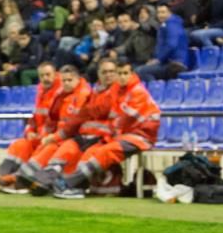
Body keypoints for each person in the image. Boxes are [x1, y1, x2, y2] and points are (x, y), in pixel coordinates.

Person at [53, 61, 161, 199]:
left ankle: (68, 183)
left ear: (132, 74)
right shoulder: (118, 91)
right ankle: (73, 185)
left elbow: (126, 120)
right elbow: (105, 114)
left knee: (104, 152)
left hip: (140, 136)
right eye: (119, 73)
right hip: (125, 136)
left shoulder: (136, 91)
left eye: (125, 73)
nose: (121, 77)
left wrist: (110, 135)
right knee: (95, 152)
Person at [24, 59, 121, 194]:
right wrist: (57, 135)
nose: (108, 75)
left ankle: (73, 187)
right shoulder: (95, 93)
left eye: (111, 71)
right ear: (98, 74)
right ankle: (42, 182)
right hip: (85, 136)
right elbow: (79, 118)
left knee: (85, 157)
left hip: (104, 138)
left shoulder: (118, 93)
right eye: (104, 72)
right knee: (65, 150)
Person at [0, 61, 59, 192]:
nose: (45, 78)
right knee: (20, 144)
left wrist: (47, 136)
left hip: (52, 140)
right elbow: (35, 118)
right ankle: (0, 176)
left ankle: (11, 180)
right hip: (40, 138)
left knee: (42, 150)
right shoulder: (41, 93)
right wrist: (30, 131)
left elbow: (61, 123)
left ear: (55, 75)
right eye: (42, 75)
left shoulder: (60, 94)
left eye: (48, 75)